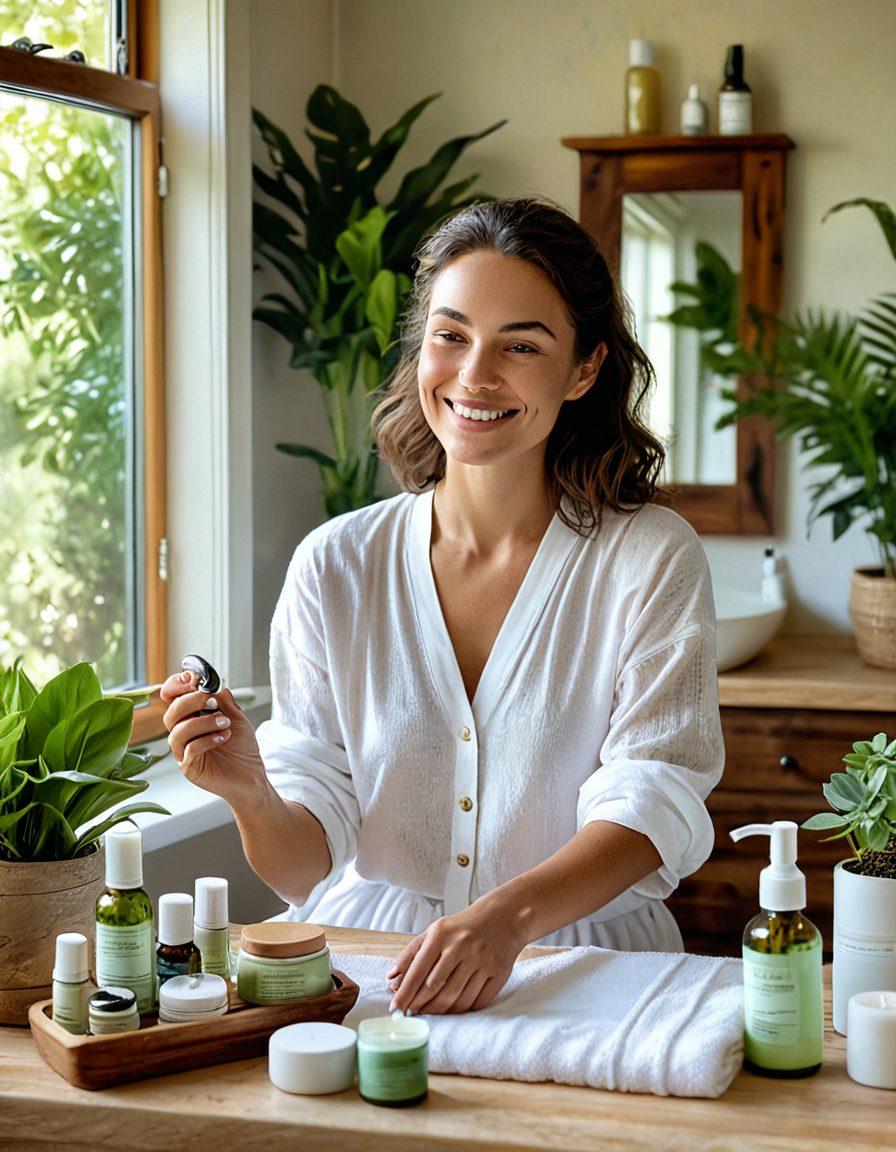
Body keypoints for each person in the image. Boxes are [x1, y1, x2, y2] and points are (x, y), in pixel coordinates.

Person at [162, 196, 724, 1017]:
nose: (474, 376)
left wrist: (506, 920)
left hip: (583, 968)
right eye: (451, 335)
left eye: (520, 346)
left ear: (584, 369)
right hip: (370, 967)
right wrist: (251, 791)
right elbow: (301, 868)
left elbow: (653, 801)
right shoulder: (336, 565)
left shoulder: (648, 558)